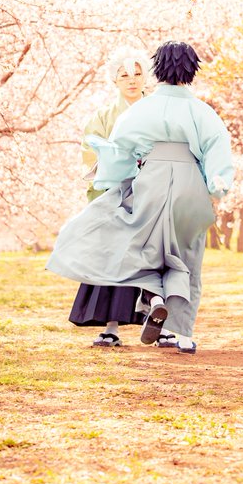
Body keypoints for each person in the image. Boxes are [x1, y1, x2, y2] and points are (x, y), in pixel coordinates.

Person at [47, 40, 234, 355]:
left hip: (151, 181)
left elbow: (119, 150)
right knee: (186, 258)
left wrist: (114, 180)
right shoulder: (203, 111)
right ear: (192, 71)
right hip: (190, 184)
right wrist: (216, 189)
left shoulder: (142, 109)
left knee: (145, 249)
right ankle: (181, 332)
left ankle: (155, 299)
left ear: (156, 70)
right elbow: (217, 149)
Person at [68, 47, 153, 348]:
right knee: (112, 259)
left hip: (152, 193)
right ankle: (111, 326)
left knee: (155, 256)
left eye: (137, 73)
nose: (131, 80)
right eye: (124, 75)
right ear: (114, 80)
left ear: (147, 77)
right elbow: (89, 154)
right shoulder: (103, 117)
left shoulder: (157, 110)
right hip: (115, 195)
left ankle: (161, 323)